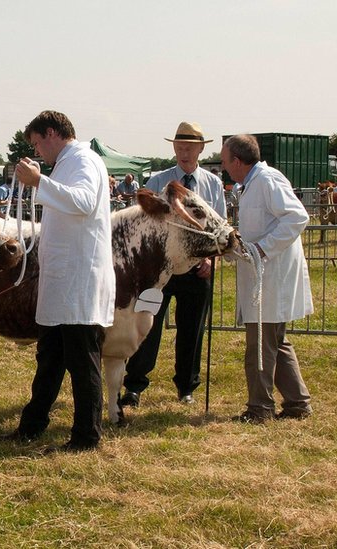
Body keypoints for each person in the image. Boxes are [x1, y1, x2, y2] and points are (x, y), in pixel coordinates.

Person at [5, 110, 115, 452]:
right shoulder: (66, 164)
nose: (38, 152)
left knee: (82, 361)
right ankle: (32, 426)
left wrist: (39, 181)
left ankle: (86, 436)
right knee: (50, 357)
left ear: (52, 133)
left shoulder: (83, 160)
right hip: (62, 281)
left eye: (38, 143)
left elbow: (82, 203)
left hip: (78, 281)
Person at [120, 122, 227, 407]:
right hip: (161, 271)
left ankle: (186, 387)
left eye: (190, 147)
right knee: (147, 325)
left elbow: (218, 229)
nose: (184, 151)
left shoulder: (213, 184)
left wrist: (211, 261)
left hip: (197, 268)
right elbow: (145, 226)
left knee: (192, 328)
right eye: (179, 146)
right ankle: (134, 385)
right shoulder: (158, 181)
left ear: (201, 150)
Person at [221, 134, 313, 424]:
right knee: (276, 341)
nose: (224, 167)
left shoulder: (268, 180)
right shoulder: (251, 184)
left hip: (273, 276)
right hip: (265, 275)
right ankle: (297, 403)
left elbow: (297, 217)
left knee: (261, 344)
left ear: (237, 161)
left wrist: (262, 248)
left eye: (225, 161)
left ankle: (260, 409)